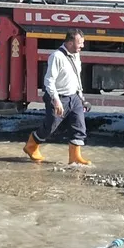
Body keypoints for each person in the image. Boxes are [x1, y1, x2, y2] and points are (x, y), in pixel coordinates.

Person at [22, 30, 91, 166]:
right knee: (51, 126)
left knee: (79, 126)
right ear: (70, 42)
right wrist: (56, 100)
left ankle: (75, 157)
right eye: (80, 43)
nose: (82, 46)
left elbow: (77, 76)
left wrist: (81, 97)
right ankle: (31, 145)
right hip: (58, 97)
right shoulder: (56, 56)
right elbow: (49, 81)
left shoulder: (76, 55)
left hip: (74, 96)